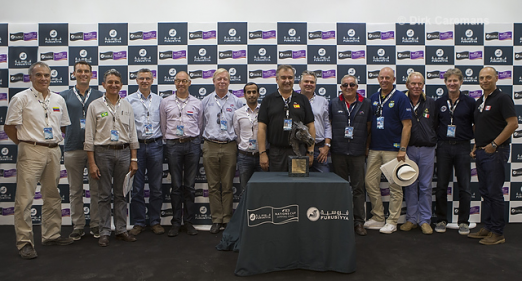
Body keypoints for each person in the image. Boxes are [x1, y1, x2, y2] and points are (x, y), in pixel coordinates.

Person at [4, 62, 73, 259]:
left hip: (53, 151)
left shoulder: (58, 99)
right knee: (24, 199)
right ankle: (25, 242)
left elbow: (64, 126)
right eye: (39, 75)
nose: (43, 78)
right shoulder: (21, 98)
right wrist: (26, 143)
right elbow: (9, 127)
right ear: (31, 77)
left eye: (47, 75)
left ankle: (51, 235)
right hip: (30, 150)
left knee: (52, 195)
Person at [84, 69, 139, 247]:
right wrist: (91, 163)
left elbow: (133, 135)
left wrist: (134, 159)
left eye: (116, 82)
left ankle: (121, 230)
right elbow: (89, 136)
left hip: (123, 152)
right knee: (103, 195)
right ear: (103, 84)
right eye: (110, 82)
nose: (113, 85)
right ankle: (104, 231)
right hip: (102, 152)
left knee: (121, 194)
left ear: (121, 85)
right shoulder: (95, 105)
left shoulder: (127, 106)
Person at [468, 67, 517, 245]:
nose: (485, 80)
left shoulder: (502, 98)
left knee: (495, 192)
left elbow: (513, 124)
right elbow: (480, 127)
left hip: (496, 152)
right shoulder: (480, 100)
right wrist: (476, 146)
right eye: (481, 77)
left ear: (496, 78)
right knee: (485, 192)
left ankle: (498, 233)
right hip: (481, 151)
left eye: (488, 77)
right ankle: (487, 227)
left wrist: (494, 145)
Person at [364, 67, 412, 234]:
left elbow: (407, 125)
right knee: (370, 182)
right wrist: (367, 145)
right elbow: (370, 126)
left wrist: (402, 149)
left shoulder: (400, 98)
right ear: (378, 79)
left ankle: (392, 221)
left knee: (395, 186)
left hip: (394, 149)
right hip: (375, 148)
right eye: (381, 77)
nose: (384, 80)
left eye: (387, 77)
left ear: (393, 79)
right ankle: (378, 217)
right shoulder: (373, 98)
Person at [60, 61, 104, 240]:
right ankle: (78, 225)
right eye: (80, 71)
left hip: (95, 150)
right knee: (75, 190)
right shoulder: (63, 96)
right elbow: (62, 125)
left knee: (96, 189)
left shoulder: (100, 96)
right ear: (74, 74)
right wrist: (73, 133)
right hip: (73, 148)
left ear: (91, 75)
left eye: (86, 71)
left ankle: (95, 224)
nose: (83, 74)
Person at [201, 68, 244, 234]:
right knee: (213, 185)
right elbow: (200, 124)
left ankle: (227, 219)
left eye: (225, 79)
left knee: (227, 185)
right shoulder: (205, 101)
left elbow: (240, 125)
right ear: (213, 81)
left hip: (229, 146)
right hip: (210, 145)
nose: (222, 82)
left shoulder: (237, 101)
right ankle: (216, 219)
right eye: (219, 79)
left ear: (229, 81)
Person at [160, 71, 202, 237]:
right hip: (173, 145)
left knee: (190, 187)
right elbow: (163, 126)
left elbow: (200, 125)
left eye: (184, 81)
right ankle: (176, 222)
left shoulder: (197, 103)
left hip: (193, 144)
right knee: (176, 186)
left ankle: (189, 222)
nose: (181, 84)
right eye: (178, 81)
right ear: (175, 83)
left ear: (189, 83)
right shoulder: (165, 102)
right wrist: (171, 139)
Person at [329, 74, 371, 236]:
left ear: (356, 87)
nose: (348, 88)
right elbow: (329, 126)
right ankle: (341, 220)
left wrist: (366, 147)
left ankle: (359, 222)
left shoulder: (365, 103)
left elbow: (369, 128)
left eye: (352, 85)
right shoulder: (333, 103)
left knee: (358, 189)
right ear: (341, 87)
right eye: (345, 85)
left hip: (357, 152)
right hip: (338, 151)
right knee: (340, 188)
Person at [434, 68, 475, 235]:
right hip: (443, 146)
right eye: (449, 80)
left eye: (455, 80)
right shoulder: (439, 102)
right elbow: (435, 125)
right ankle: (441, 219)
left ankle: (464, 221)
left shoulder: (470, 102)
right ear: (445, 82)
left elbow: (477, 124)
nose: (452, 83)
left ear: (461, 82)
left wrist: (475, 144)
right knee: (442, 185)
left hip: (463, 146)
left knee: (465, 186)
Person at [125, 68, 164, 236]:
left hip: (156, 145)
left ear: (152, 80)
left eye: (147, 78)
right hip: (136, 147)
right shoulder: (128, 101)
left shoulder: (160, 101)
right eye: (141, 78)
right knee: (137, 187)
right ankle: (139, 222)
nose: (145, 81)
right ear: (136, 80)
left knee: (156, 187)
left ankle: (155, 221)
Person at [258, 65, 315, 172]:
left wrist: (310, 151)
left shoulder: (302, 99)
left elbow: (310, 126)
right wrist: (262, 153)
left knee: (298, 185)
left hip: (298, 151)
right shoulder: (268, 100)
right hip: (276, 153)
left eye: (290, 78)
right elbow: (261, 128)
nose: (287, 81)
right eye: (283, 78)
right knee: (277, 186)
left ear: (294, 79)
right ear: (277, 79)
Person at [400, 72, 437, 235]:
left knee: (425, 186)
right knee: (410, 185)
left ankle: (425, 220)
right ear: (407, 85)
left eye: (419, 83)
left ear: (423, 85)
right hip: (408, 149)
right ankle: (411, 219)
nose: (416, 86)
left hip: (428, 149)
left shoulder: (431, 102)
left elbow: (436, 124)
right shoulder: (401, 100)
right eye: (413, 83)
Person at [299, 71, 331, 173]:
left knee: (324, 181)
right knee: (298, 181)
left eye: (312, 82)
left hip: (319, 148)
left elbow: (327, 124)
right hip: (300, 147)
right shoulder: (293, 100)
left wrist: (327, 146)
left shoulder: (323, 101)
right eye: (306, 81)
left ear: (315, 85)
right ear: (300, 84)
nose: (309, 84)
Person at [233, 82, 262, 195]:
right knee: (245, 189)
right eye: (248, 92)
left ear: (258, 94)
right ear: (244, 95)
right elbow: (237, 134)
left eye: (254, 92)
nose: (251, 95)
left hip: (261, 156)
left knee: (261, 190)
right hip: (244, 156)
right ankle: (245, 213)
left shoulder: (264, 111)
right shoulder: (238, 113)